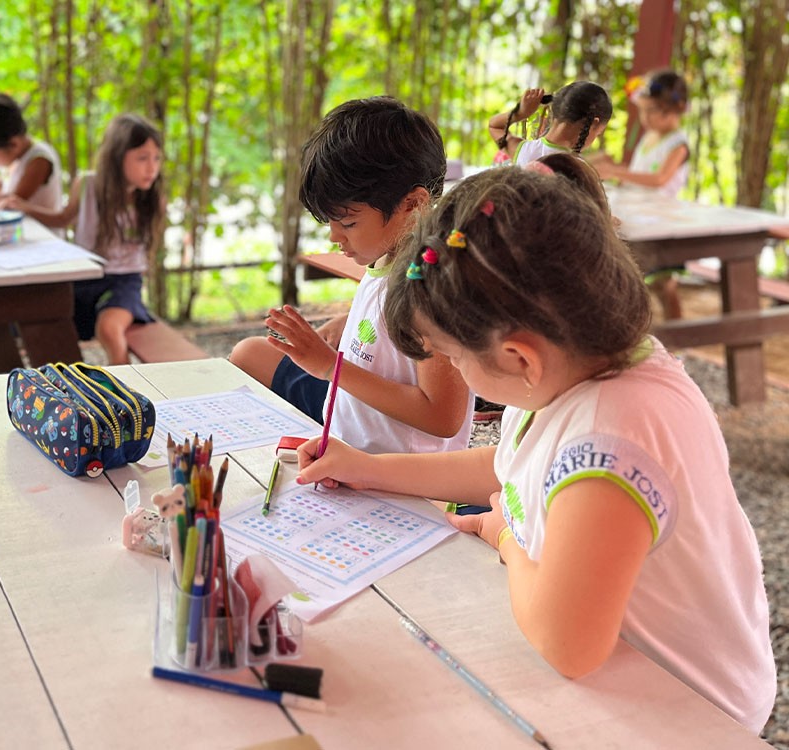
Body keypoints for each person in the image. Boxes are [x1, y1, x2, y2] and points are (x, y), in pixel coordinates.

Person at [294, 158, 776, 733]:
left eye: (454, 357)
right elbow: (505, 467)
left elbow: (566, 644)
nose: (454, 370)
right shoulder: (573, 365)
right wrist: (366, 468)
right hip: (626, 674)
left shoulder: (613, 438)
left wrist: (506, 538)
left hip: (689, 711)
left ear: (519, 356)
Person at [229, 97, 473, 458]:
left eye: (348, 222)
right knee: (250, 353)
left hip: (395, 470)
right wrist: (347, 324)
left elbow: (443, 416)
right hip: (352, 432)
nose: (334, 236)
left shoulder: (431, 286)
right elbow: (390, 317)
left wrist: (331, 367)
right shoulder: (390, 256)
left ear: (412, 204)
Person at [0, 114, 164, 365]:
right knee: (36, 317)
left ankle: (123, 386)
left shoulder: (152, 199)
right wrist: (24, 207)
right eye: (142, 158)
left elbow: (148, 251)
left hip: (124, 283)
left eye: (157, 158)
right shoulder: (87, 185)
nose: (152, 167)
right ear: (117, 157)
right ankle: (54, 380)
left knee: (109, 329)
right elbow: (62, 219)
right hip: (85, 276)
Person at [592, 70, 691, 320]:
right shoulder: (650, 137)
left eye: (652, 111)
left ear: (675, 110)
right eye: (643, 110)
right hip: (639, 213)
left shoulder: (678, 144)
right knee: (647, 281)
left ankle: (676, 334)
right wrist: (614, 168)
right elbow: (639, 173)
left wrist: (616, 171)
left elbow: (659, 179)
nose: (645, 117)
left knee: (664, 284)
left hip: (661, 219)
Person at [0, 92, 63, 211]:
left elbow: (12, 200)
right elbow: (2, 183)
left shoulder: (39, 160)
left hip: (37, 223)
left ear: (14, 144)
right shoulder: (17, 157)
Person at [487, 81, 612, 166]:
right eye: (598, 133)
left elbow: (494, 126)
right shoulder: (580, 169)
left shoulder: (524, 150)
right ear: (593, 124)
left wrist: (520, 114)